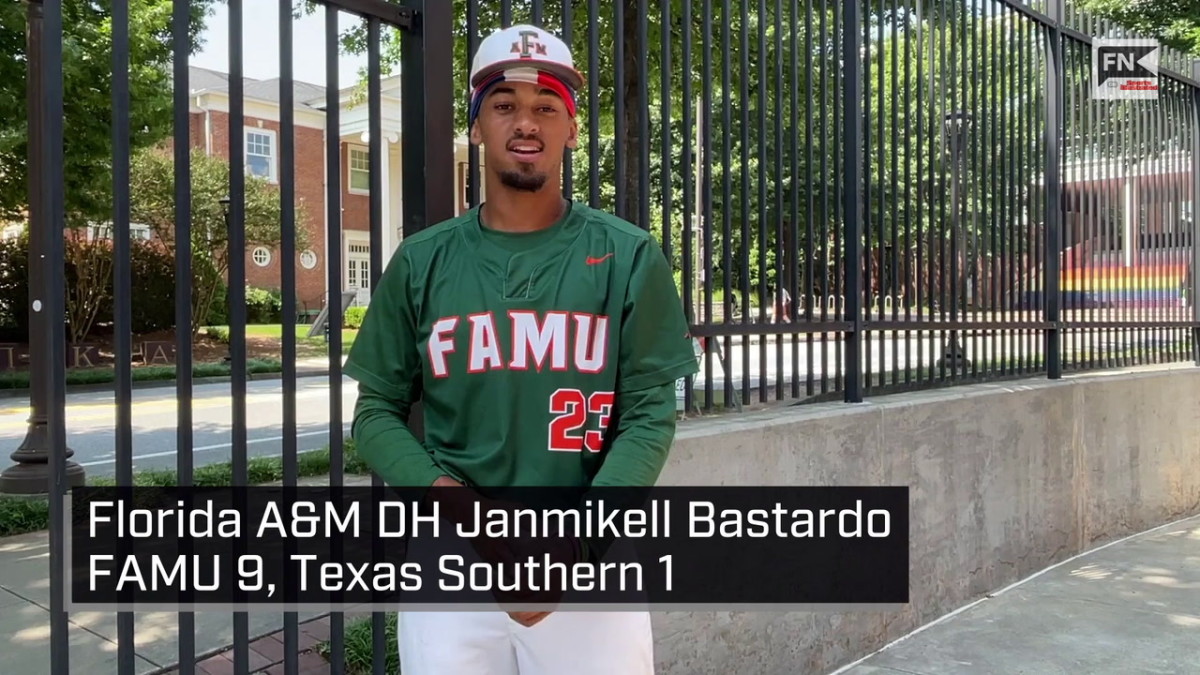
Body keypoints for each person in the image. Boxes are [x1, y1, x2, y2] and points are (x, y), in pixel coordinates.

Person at [343, 23, 698, 675]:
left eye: (546, 107)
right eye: (504, 105)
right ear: (477, 126)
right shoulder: (423, 261)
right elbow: (376, 411)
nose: (524, 123)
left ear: (571, 127)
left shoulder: (629, 255)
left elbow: (650, 413)